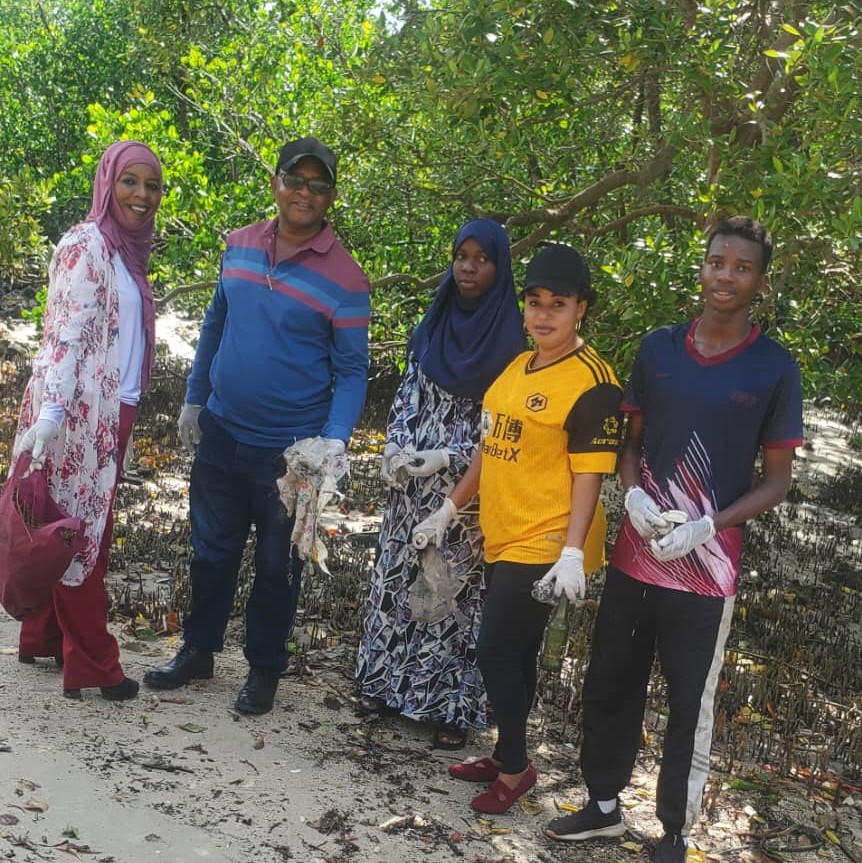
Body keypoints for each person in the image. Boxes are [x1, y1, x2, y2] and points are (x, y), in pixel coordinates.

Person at [545, 217, 803, 863]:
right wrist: (630, 495)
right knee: (609, 680)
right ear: (702, 267)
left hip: (705, 568)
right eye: (717, 261)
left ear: (758, 282)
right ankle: (602, 805)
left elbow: (776, 482)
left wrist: (706, 525)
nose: (725, 275)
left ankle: (672, 832)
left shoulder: (774, 368)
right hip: (636, 554)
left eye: (740, 267)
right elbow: (629, 444)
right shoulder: (657, 349)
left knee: (689, 700)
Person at [144, 136, 370, 716]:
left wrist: (333, 444)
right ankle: (197, 651)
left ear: (331, 197)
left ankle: (264, 669)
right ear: (276, 182)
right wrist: (194, 400)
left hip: (288, 456)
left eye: (319, 185)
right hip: (221, 432)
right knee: (210, 553)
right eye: (296, 179)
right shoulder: (238, 246)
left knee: (277, 566)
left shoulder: (347, 278)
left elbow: (350, 371)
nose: (305, 192)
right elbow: (215, 324)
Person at [415, 243, 623, 813]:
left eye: (559, 303)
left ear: (581, 308)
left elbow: (590, 477)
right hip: (503, 534)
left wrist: (574, 553)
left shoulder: (594, 382)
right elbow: (490, 446)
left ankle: (514, 768)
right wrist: (450, 508)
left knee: (496, 651)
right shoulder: (516, 367)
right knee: (519, 652)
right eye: (534, 302)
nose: (544, 314)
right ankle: (510, 747)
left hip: (549, 540)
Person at [355, 218, 525, 749]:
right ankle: (386, 686)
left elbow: (499, 432)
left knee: (453, 593)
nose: (468, 267)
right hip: (408, 487)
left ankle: (449, 706)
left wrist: (446, 458)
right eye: (461, 256)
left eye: (482, 258)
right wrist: (395, 447)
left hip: (464, 495)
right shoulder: (435, 321)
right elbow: (408, 391)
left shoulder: (511, 343)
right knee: (397, 577)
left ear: (499, 268)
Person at [11, 140, 164, 701]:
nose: (141, 195)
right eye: (130, 182)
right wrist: (50, 416)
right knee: (83, 538)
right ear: (108, 183)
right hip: (74, 416)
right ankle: (97, 664)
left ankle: (41, 635)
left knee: (63, 521)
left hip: (109, 411)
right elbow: (63, 337)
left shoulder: (125, 251)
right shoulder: (87, 245)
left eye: (152, 185)